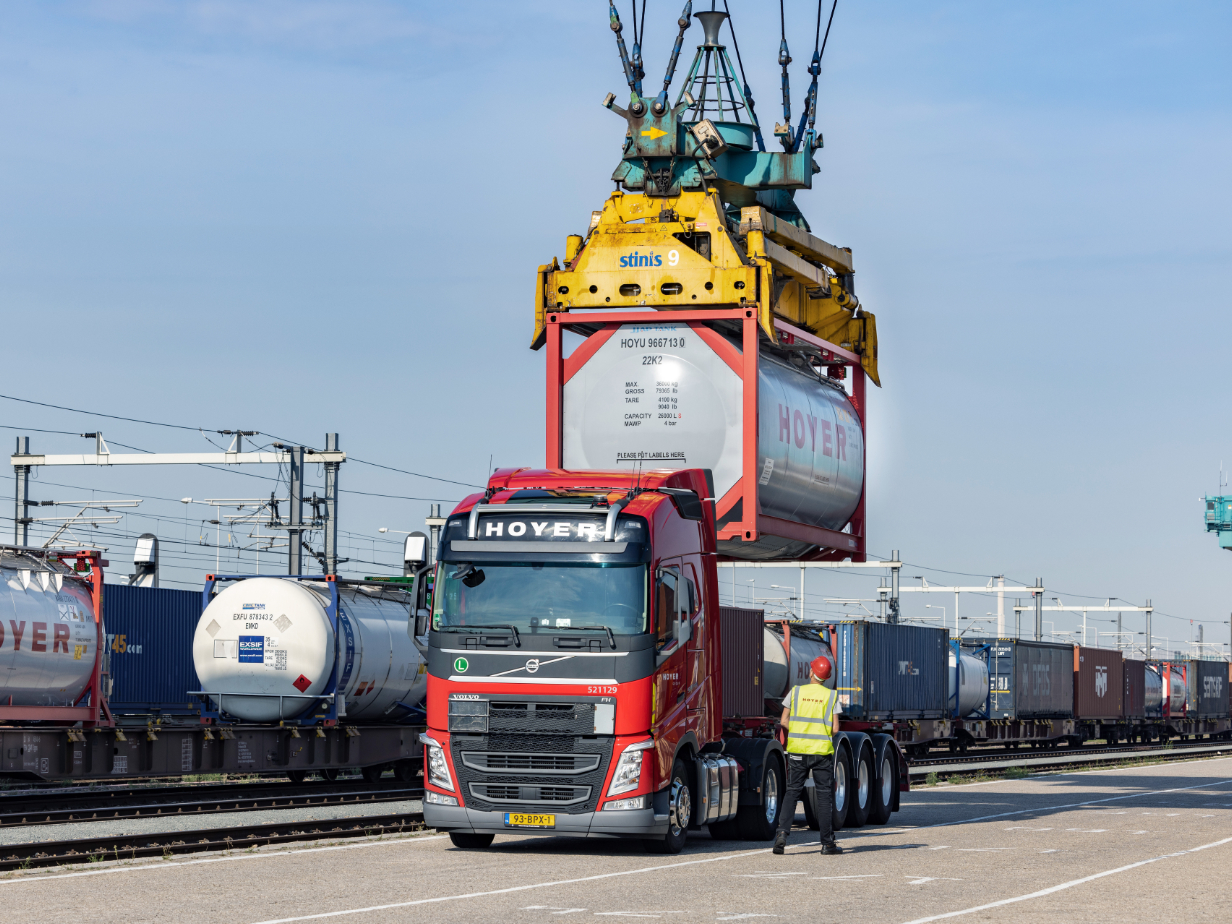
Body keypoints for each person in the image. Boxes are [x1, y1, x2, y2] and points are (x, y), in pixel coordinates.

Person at [773, 655, 842, 856]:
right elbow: (836, 728)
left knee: (792, 791)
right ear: (827, 677)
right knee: (823, 796)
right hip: (821, 752)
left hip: (797, 750)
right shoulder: (831, 696)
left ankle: (782, 835)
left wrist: (799, 731)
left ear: (811, 672)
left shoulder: (795, 693)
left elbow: (783, 721)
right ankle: (827, 844)